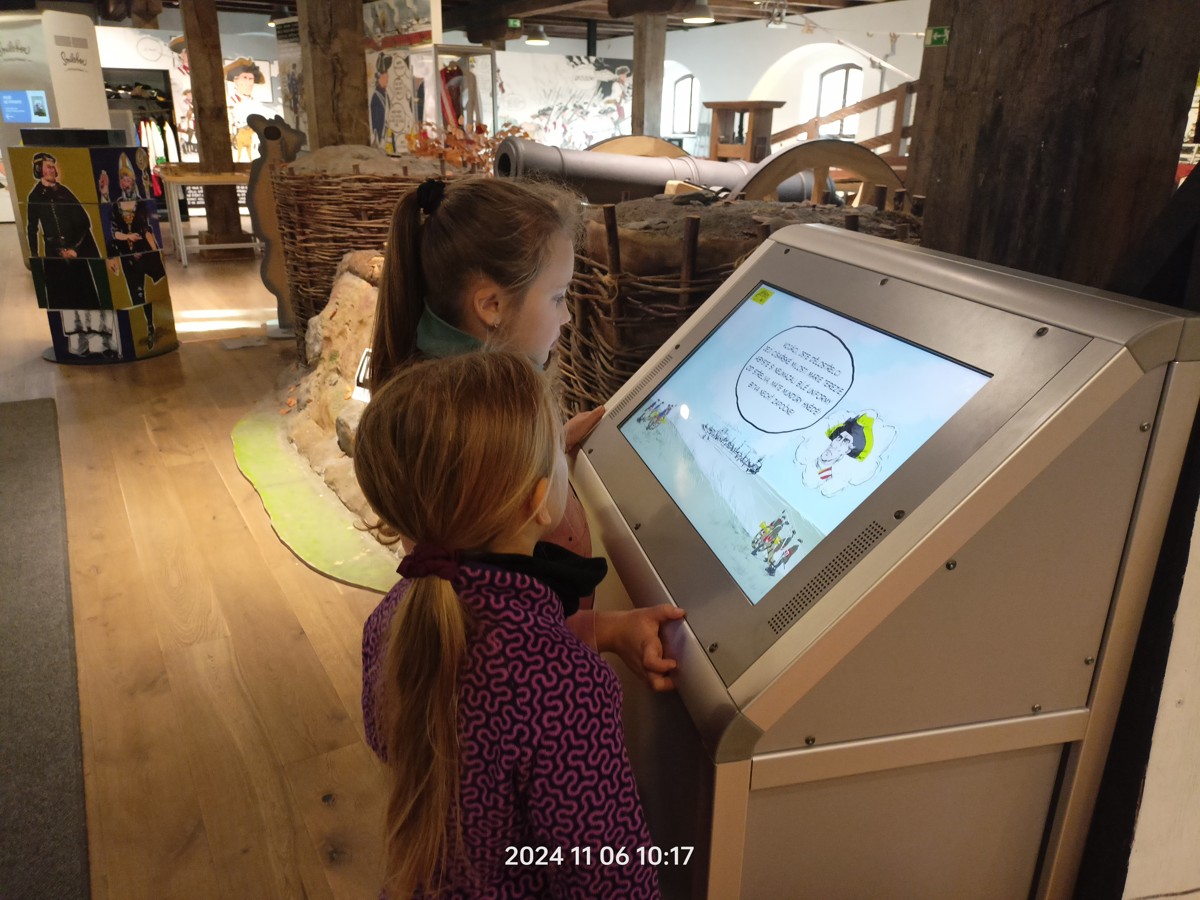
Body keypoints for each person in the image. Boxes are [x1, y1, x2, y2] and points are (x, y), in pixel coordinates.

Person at [356, 351, 662, 898]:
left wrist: (606, 631)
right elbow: (611, 878)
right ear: (539, 503)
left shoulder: (394, 618)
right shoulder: (569, 689)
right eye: (558, 454)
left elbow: (392, 737)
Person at [370, 175, 685, 690]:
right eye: (558, 297)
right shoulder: (460, 438)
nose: (567, 316)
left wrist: (550, 443)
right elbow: (495, 631)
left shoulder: (448, 406)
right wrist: (600, 633)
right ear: (491, 305)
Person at [25, 152, 102, 308]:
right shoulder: (35, 196)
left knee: (85, 295)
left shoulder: (65, 192)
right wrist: (35, 256)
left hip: (75, 251)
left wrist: (75, 249)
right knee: (60, 298)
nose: (52, 170)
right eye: (48, 167)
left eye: (53, 167)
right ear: (39, 169)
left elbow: (83, 222)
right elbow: (32, 228)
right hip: (53, 253)